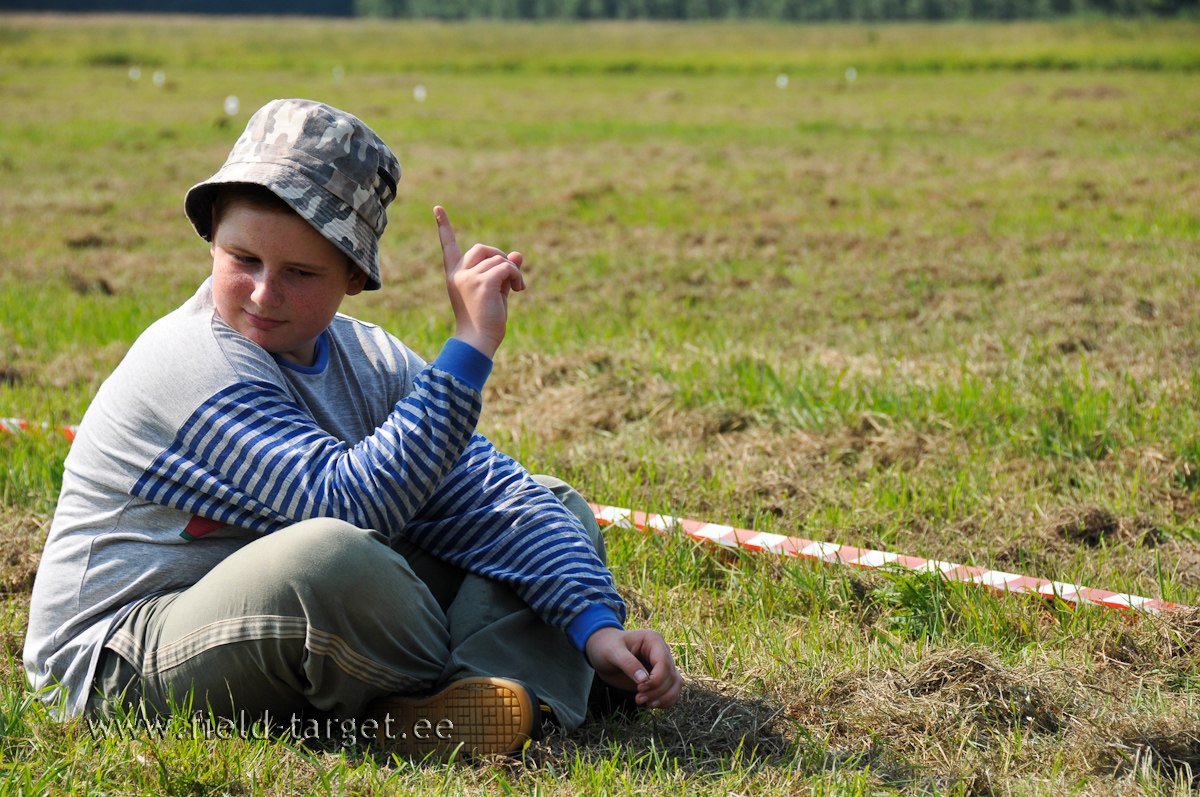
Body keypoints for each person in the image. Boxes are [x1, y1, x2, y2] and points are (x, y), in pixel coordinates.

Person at [24, 98, 682, 757]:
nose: (262, 292)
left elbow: (488, 499)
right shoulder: (192, 363)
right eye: (241, 258)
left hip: (286, 631)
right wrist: (468, 351)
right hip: (122, 660)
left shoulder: (371, 359)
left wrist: (594, 622)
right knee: (332, 559)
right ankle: (513, 685)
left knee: (549, 504)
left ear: (355, 277)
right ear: (212, 238)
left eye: (300, 273)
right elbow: (346, 502)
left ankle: (484, 701)